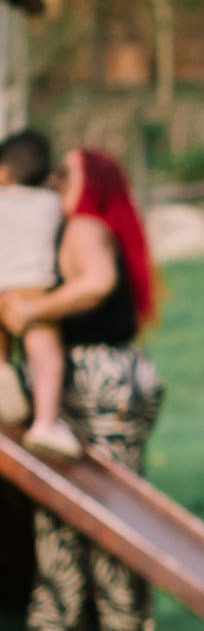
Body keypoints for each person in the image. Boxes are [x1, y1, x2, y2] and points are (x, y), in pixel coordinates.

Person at [3, 144, 166, 631]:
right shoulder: (64, 229)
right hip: (80, 381)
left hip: (103, 381)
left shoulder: (86, 228)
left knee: (110, 516)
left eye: (64, 173)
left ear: (91, 182)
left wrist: (32, 310)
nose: (52, 181)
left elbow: (98, 284)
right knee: (56, 513)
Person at [0, 127, 75, 458]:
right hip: (32, 293)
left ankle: (1, 374)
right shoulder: (52, 203)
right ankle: (45, 423)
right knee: (46, 358)